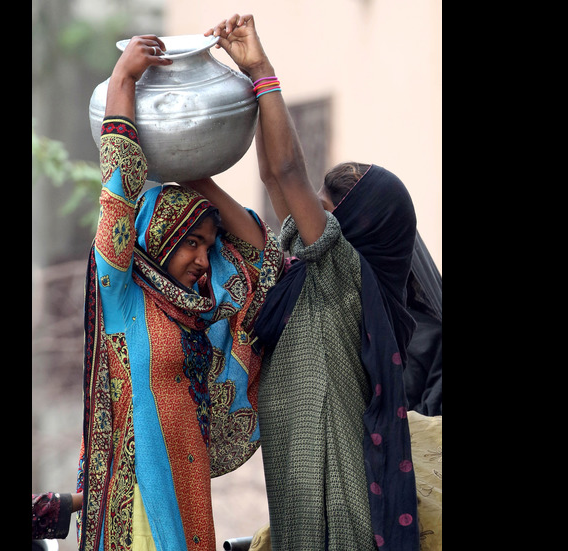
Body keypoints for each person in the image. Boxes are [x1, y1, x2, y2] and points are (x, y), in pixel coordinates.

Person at [207, 14, 429, 551]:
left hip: (338, 505)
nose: (311, 218)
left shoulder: (347, 277)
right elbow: (269, 179)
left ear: (359, 228)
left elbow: (286, 174)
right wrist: (192, 160)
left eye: (327, 212)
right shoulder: (309, 273)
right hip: (297, 495)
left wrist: (262, 69)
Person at [63, 34, 284, 551]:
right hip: (135, 511)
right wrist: (123, 80)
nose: (204, 261)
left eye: (209, 246)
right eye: (192, 243)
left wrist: (192, 169)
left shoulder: (200, 318)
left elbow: (261, 259)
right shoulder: (120, 289)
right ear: (156, 236)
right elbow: (119, 192)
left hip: (189, 506)